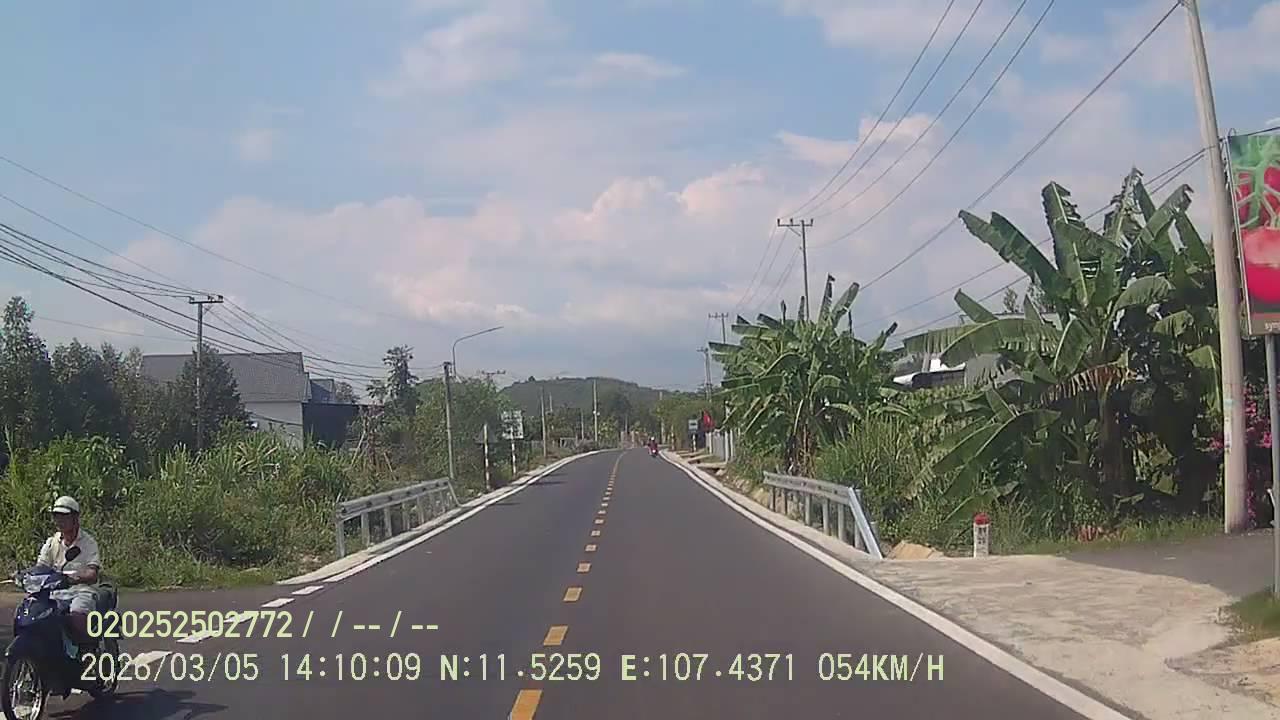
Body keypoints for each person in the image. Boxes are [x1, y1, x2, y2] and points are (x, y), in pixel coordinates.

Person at [37, 495, 102, 644]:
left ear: (75, 518)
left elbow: (92, 572)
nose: (59, 521)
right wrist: (24, 575)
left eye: (64, 516)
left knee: (77, 615)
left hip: (81, 590)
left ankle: (86, 648)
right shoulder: (52, 542)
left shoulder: (88, 542)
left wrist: (75, 578)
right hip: (56, 591)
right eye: (56, 516)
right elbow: (41, 567)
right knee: (34, 612)